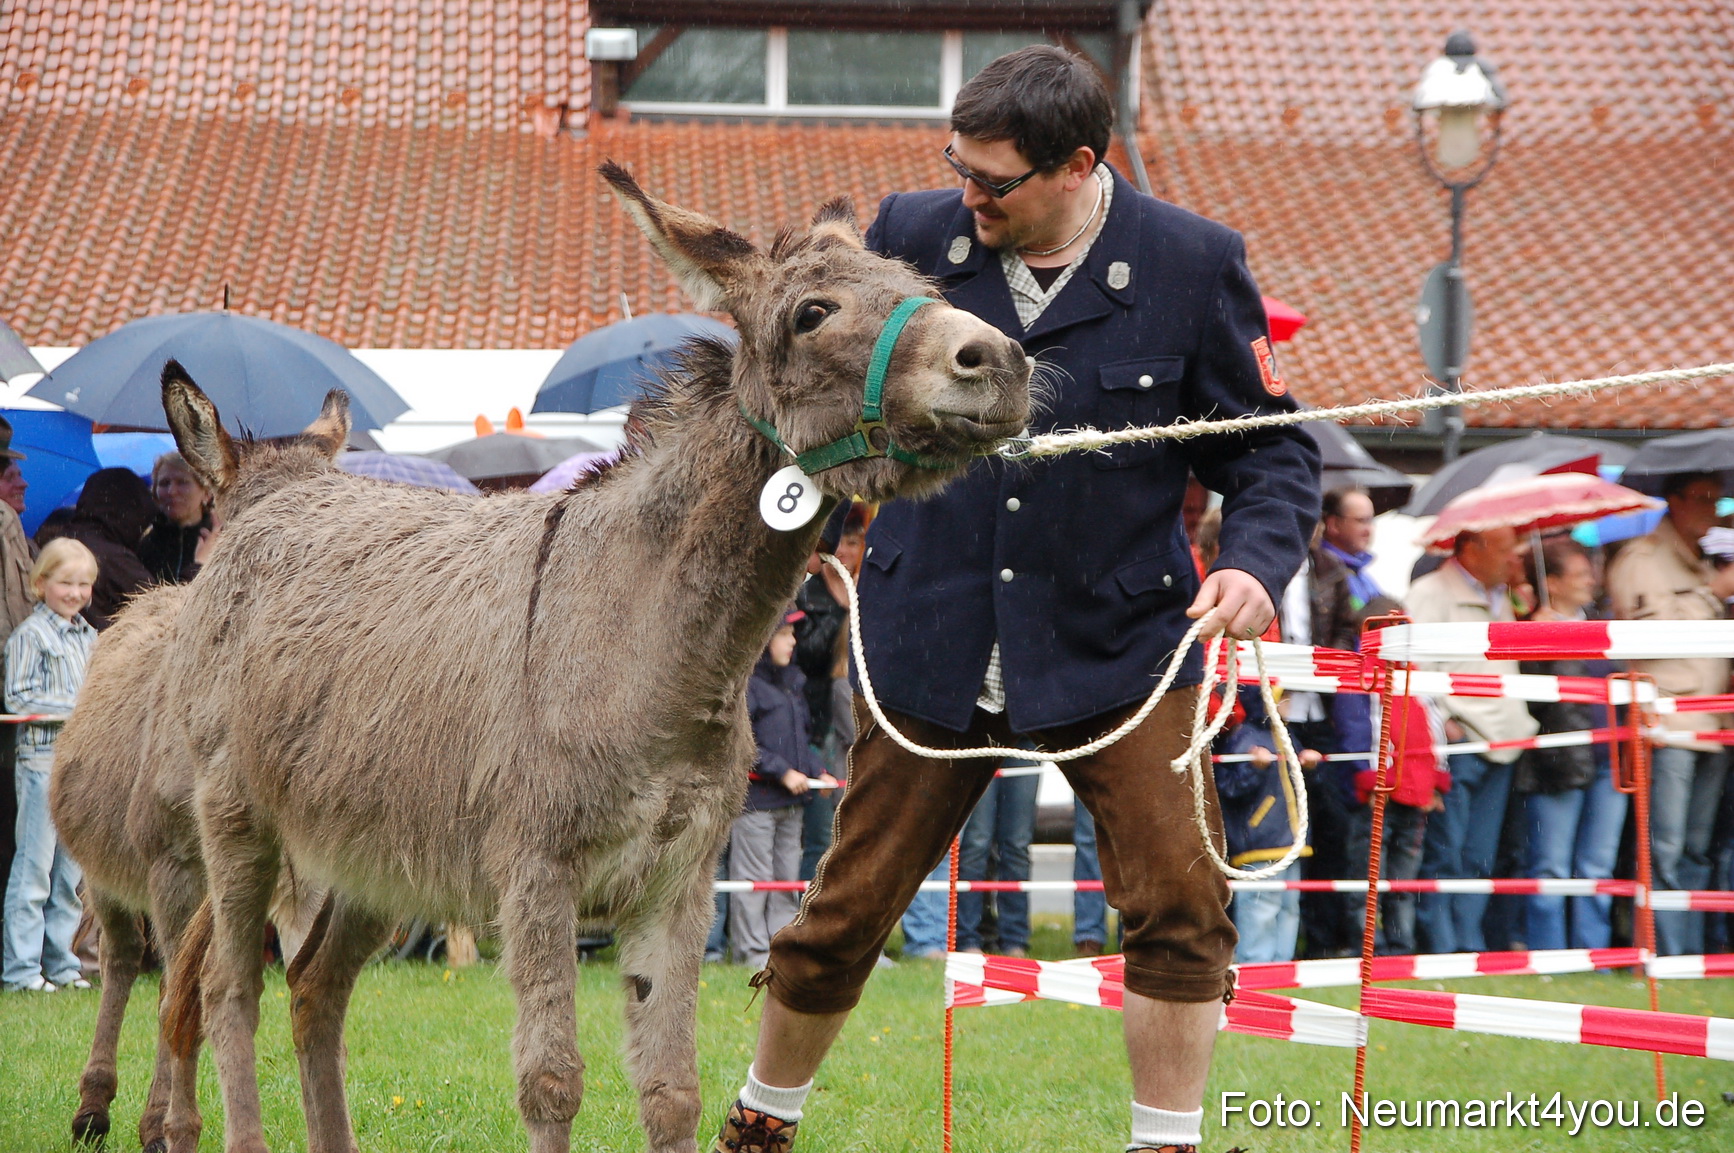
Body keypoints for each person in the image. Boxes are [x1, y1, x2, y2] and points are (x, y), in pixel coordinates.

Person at [713, 47, 1319, 1153]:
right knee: (843, 912)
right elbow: (821, 400)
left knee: (1183, 908)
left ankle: (1165, 1143)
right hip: (929, 632)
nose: (968, 197)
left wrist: (1254, 564)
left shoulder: (1192, 261)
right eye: (959, 169)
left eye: (993, 182)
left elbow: (1272, 457)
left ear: (1078, 166)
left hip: (1123, 643)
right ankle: (763, 1119)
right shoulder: (910, 231)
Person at [1606, 471, 1734, 955]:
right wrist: (1713, 594)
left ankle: (1691, 955)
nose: (1712, 510)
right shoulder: (1642, 559)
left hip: (1712, 722)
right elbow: (1647, 634)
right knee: (1666, 848)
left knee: (1697, 849)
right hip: (1668, 722)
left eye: (1718, 500)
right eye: (1703, 499)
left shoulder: (1701, 560)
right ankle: (1664, 952)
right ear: (1673, 502)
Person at [1408, 527, 1539, 955]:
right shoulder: (1430, 593)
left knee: (1479, 855)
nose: (1513, 560)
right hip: (1460, 739)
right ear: (1470, 548)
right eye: (1505, 550)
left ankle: (1467, 944)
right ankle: (1441, 946)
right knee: (1447, 850)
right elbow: (1414, 662)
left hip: (1501, 739)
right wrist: (1443, 718)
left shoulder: (1503, 596)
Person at [1517, 536, 1628, 951]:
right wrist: (1536, 636)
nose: (1590, 581)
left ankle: (1593, 953)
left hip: (1609, 760)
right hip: (1558, 762)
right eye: (1580, 575)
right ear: (1554, 582)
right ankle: (1547, 955)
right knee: (1551, 864)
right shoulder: (1531, 628)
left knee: (1596, 865)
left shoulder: (1601, 624)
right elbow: (1531, 698)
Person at [2, 538, 99, 991]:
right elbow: (18, 697)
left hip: (80, 767)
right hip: (42, 762)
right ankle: (22, 971)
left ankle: (62, 964)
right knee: (34, 869)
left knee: (69, 874)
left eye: (84, 584)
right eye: (66, 583)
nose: (76, 593)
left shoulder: (90, 636)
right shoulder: (30, 636)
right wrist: (76, 707)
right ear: (41, 584)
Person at [728, 609, 836, 970]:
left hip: (793, 805)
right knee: (754, 880)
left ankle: (779, 945)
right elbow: (745, 744)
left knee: (786, 878)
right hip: (757, 804)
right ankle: (751, 952)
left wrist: (815, 771)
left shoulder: (793, 682)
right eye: (785, 634)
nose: (793, 641)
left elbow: (799, 740)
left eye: (793, 634)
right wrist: (782, 771)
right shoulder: (748, 686)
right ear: (764, 640)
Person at [1214, 689, 1319, 963]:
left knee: (1288, 908)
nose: (1290, 705)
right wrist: (1254, 767)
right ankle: (1254, 965)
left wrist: (1308, 764)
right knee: (1260, 908)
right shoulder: (1243, 737)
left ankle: (1281, 966)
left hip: (1290, 840)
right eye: (1284, 698)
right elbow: (1229, 788)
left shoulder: (1287, 736)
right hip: (1260, 841)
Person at [59, 468, 155, 630]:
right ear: (130, 512)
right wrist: (198, 563)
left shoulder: (58, 541)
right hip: (103, 649)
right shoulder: (113, 557)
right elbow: (163, 609)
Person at [137, 451, 215, 584]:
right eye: (164, 483)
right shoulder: (143, 544)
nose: (171, 492)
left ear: (206, 493)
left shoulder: (219, 542)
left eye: (182, 482)